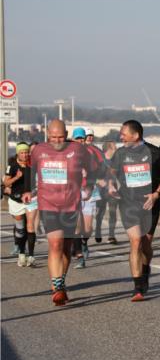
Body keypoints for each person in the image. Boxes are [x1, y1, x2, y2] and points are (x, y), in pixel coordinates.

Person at [30, 119, 100, 306]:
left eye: (61, 137)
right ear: (47, 135)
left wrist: (89, 187)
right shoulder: (39, 150)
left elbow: (93, 169)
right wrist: (29, 190)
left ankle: (61, 279)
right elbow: (32, 170)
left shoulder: (77, 150)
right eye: (53, 137)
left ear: (66, 134)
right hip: (48, 203)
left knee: (66, 248)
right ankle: (57, 287)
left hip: (71, 204)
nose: (57, 141)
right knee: (55, 244)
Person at [106, 120, 160, 301]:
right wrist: (111, 185)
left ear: (135, 136)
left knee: (146, 244)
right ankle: (137, 287)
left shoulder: (154, 152)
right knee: (135, 242)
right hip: (129, 203)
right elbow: (111, 172)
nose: (121, 137)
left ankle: (145, 269)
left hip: (151, 203)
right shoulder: (120, 153)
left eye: (123, 134)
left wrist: (157, 193)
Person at [69, 127, 106, 268]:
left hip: (89, 191)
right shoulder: (68, 154)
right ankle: (79, 256)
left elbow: (97, 172)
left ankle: (83, 243)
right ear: (73, 139)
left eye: (82, 138)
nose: (80, 141)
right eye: (77, 138)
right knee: (77, 226)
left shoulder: (91, 153)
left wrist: (93, 184)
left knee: (88, 228)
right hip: (74, 192)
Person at [4, 142, 38, 267]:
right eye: (22, 152)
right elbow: (6, 183)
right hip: (16, 200)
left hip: (31, 199)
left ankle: (31, 256)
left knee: (30, 226)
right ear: (18, 153)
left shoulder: (32, 165)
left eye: (26, 152)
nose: (25, 155)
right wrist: (16, 177)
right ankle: (21, 253)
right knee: (20, 229)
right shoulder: (12, 166)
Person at [95, 140, 120, 244]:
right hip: (101, 190)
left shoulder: (117, 161)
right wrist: (98, 181)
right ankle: (98, 231)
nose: (116, 149)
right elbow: (92, 174)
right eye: (114, 147)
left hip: (113, 190)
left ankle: (111, 235)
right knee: (100, 212)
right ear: (109, 149)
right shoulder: (99, 160)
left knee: (113, 212)